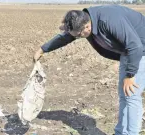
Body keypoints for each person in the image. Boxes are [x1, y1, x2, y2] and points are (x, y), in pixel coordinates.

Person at [33, 5, 145, 135]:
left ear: (87, 27)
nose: (79, 38)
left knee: (131, 95)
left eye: (79, 36)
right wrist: (43, 49)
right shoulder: (83, 21)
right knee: (124, 95)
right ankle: (120, 132)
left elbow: (135, 46)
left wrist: (130, 75)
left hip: (140, 49)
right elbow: (66, 37)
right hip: (128, 51)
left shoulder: (108, 20)